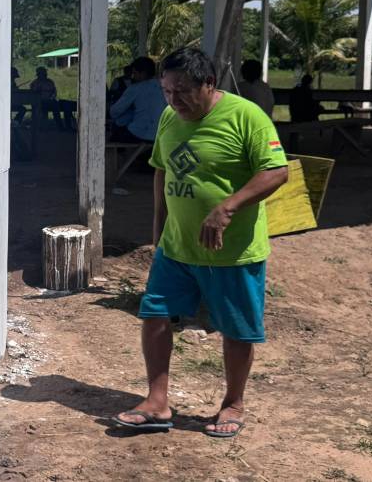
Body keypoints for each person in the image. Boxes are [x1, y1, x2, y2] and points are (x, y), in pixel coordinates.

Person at [111, 47, 288, 439]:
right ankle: (157, 402)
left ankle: (234, 403)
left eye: (183, 91)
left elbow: (277, 172)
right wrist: (157, 230)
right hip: (177, 248)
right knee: (155, 316)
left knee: (236, 328)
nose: (174, 101)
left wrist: (227, 208)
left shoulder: (245, 116)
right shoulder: (170, 118)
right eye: (167, 92)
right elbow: (161, 172)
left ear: (209, 83)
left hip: (232, 251)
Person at [109, 57, 166, 143]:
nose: (133, 76)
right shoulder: (164, 86)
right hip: (162, 134)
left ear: (142, 73)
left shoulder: (135, 88)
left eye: (134, 73)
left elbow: (114, 112)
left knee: (114, 135)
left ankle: (121, 156)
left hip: (139, 134)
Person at [31, 67, 76, 131]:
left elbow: (54, 92)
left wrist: (51, 98)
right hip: (41, 102)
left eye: (45, 73)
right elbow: (34, 94)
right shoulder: (35, 83)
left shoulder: (50, 81)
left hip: (51, 101)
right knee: (54, 106)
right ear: (38, 74)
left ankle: (66, 126)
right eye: (43, 73)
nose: (45, 74)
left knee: (66, 105)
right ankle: (59, 127)